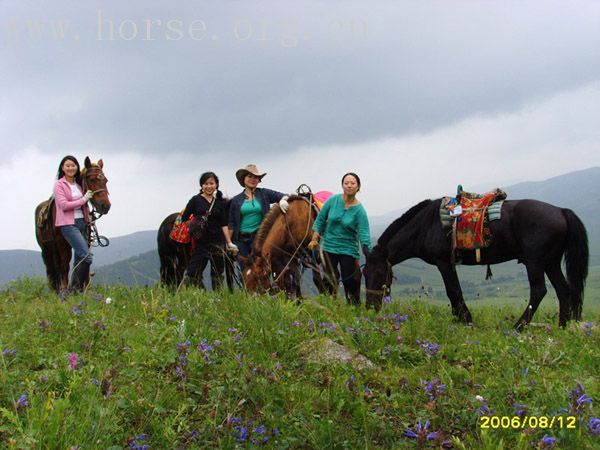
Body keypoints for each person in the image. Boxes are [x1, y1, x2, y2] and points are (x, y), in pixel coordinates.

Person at [308, 172, 371, 306]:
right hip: (329, 246)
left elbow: (364, 233)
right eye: (346, 183)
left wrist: (368, 251)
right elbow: (320, 219)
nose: (349, 186)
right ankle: (329, 305)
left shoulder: (360, 211)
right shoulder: (333, 200)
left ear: (358, 187)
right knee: (329, 279)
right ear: (342, 185)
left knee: (350, 281)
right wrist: (314, 238)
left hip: (348, 250)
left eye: (352, 183)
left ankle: (354, 307)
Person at [225, 164, 289, 258]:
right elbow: (231, 223)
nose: (252, 179)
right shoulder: (236, 200)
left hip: (260, 238)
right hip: (241, 240)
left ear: (259, 180)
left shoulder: (264, 193)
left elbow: (285, 195)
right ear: (243, 178)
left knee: (260, 267)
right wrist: (229, 243)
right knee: (244, 268)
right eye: (249, 176)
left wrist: (283, 200)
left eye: (256, 177)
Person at [180, 172, 229, 289]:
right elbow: (185, 218)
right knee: (192, 271)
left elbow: (224, 224)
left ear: (216, 185)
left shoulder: (219, 202)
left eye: (211, 183)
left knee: (217, 273)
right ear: (201, 185)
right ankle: (194, 294)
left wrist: (229, 242)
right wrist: (196, 226)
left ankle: (218, 298)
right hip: (201, 242)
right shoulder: (195, 200)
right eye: (205, 183)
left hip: (218, 241)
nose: (209, 186)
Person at [53, 155, 94, 292]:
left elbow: (84, 206)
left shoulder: (78, 185)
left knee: (79, 259)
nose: (71, 168)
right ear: (63, 168)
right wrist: (83, 199)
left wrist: (88, 214)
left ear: (77, 167)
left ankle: (75, 292)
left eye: (73, 165)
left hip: (82, 222)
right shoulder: (59, 185)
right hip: (68, 224)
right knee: (86, 256)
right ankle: (74, 289)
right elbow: (64, 205)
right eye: (68, 166)